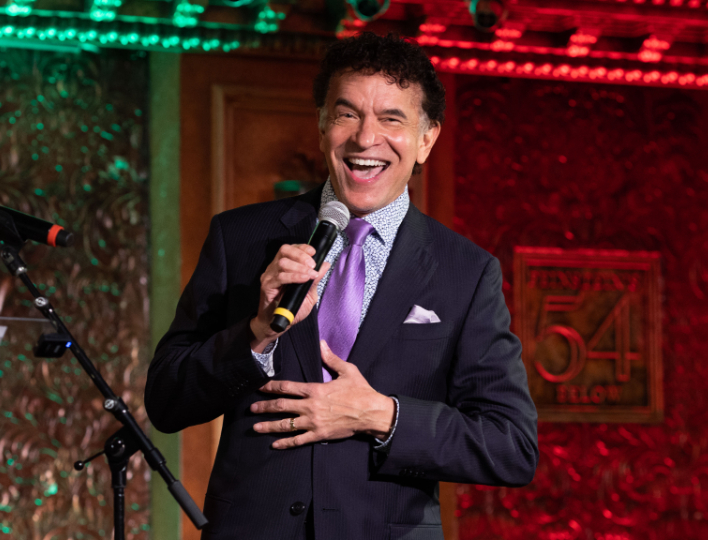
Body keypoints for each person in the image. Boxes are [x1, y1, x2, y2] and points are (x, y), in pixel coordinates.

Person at [144, 32, 538, 540]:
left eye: (391, 119)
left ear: (426, 139)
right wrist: (256, 333)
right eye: (347, 114)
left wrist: (381, 415)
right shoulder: (241, 238)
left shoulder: (465, 271)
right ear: (322, 124)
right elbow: (166, 401)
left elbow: (511, 446)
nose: (365, 138)